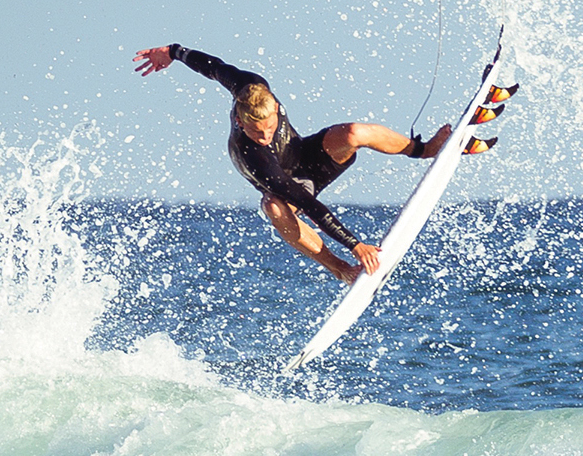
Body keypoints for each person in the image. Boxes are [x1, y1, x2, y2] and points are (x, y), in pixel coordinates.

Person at [134, 44, 453, 283]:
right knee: (273, 206)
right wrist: (354, 246)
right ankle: (339, 268)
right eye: (255, 130)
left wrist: (174, 51)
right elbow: (306, 203)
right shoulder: (254, 156)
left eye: (270, 126)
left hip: (306, 155)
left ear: (274, 106)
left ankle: (423, 150)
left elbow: (213, 67)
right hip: (290, 187)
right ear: (240, 120)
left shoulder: (252, 85)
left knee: (354, 132)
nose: (264, 135)